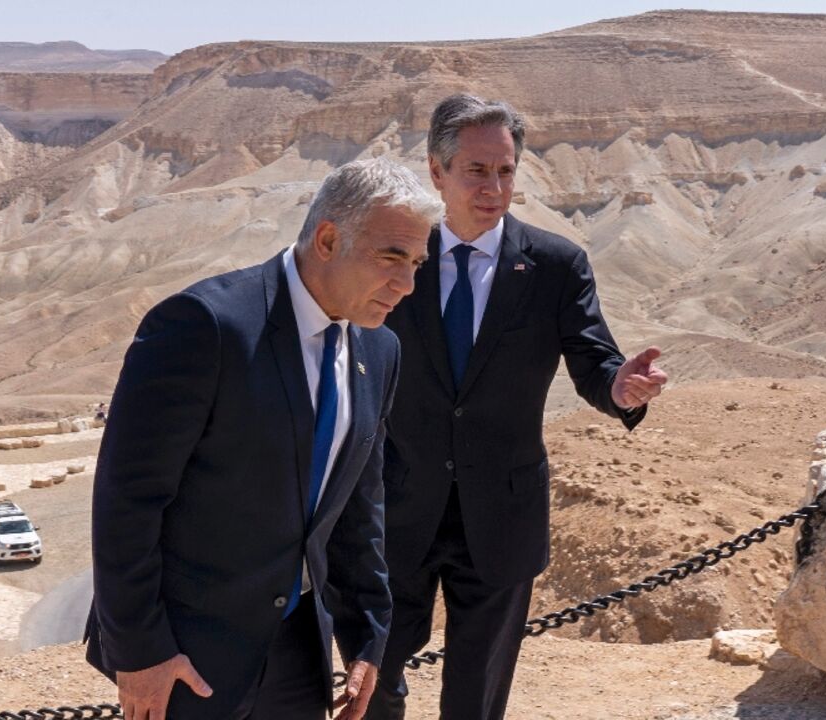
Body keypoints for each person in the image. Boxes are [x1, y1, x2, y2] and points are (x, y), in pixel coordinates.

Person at [85, 157, 442, 720]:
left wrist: (366, 637)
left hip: (298, 654)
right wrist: (141, 652)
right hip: (187, 656)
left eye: (417, 263)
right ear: (328, 240)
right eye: (391, 257)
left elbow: (358, 506)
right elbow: (127, 501)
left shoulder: (380, 350)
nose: (407, 284)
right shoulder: (205, 325)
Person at [364, 95, 669, 720]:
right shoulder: (394, 253)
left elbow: (594, 362)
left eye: (505, 170)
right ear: (437, 171)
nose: (494, 187)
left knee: (478, 695)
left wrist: (619, 389)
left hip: (502, 514)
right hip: (396, 505)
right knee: (372, 680)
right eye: (476, 171)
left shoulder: (555, 266)